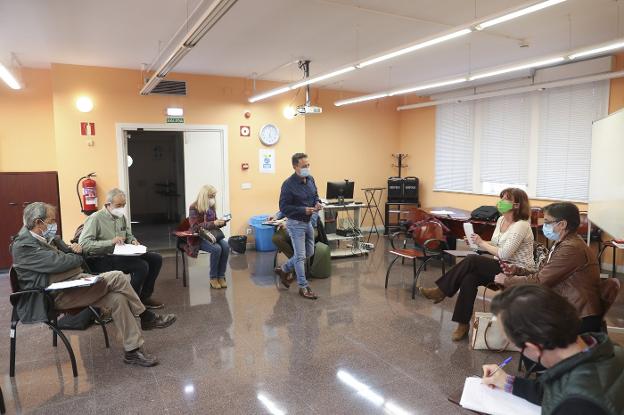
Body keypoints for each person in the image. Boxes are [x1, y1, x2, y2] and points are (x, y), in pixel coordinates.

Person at [11, 202, 176, 367]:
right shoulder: (24, 246)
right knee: (118, 277)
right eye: (51, 220)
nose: (54, 224)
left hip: (70, 285)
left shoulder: (44, 238)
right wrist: (75, 256)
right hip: (52, 296)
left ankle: (132, 351)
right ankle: (146, 316)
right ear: (39, 223)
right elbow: (63, 262)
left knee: (118, 298)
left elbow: (69, 256)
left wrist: (73, 254)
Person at [481, 285, 624, 415]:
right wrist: (506, 381)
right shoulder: (605, 348)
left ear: (533, 348)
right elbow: (556, 389)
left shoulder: (577, 405)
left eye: (513, 344)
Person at [419, 188, 535, 341]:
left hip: (518, 271)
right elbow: (495, 245)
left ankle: (441, 291)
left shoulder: (521, 225)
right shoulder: (501, 220)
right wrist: (477, 243)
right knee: (469, 277)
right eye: (501, 198)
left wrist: (481, 243)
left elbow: (504, 253)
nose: (501, 202)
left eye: (506, 199)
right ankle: (462, 324)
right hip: (500, 266)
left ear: (517, 205)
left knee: (472, 260)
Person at [494, 202, 603, 333]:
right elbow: (543, 272)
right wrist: (517, 270)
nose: (544, 225)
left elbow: (541, 281)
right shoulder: (563, 243)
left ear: (562, 224)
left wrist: (506, 281)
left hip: (578, 315)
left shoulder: (571, 248)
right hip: (567, 307)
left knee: (520, 313)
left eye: (547, 222)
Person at [79, 188, 164, 309]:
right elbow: (84, 244)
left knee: (156, 259)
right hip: (101, 258)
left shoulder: (121, 217)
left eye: (123, 205)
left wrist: (132, 241)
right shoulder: (95, 218)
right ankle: (131, 302)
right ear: (108, 204)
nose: (121, 208)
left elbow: (128, 235)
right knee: (141, 266)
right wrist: (110, 242)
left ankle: (144, 297)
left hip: (121, 254)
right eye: (118, 205)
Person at [274, 152, 321, 299]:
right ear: (295, 167)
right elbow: (283, 208)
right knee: (300, 257)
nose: (307, 168)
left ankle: (284, 269)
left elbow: (315, 195)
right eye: (304, 166)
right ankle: (303, 287)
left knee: (309, 252)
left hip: (308, 222)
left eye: (308, 165)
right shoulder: (288, 185)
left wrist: (317, 203)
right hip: (295, 224)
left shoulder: (311, 179)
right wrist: (302, 210)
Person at [188, 185, 230, 289]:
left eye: (214, 196)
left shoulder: (211, 207)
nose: (213, 199)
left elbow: (213, 223)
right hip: (199, 238)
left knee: (225, 246)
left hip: (212, 236)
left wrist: (221, 222)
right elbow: (195, 227)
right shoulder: (194, 207)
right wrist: (213, 223)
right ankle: (213, 278)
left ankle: (221, 276)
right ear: (204, 196)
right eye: (211, 196)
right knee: (217, 249)